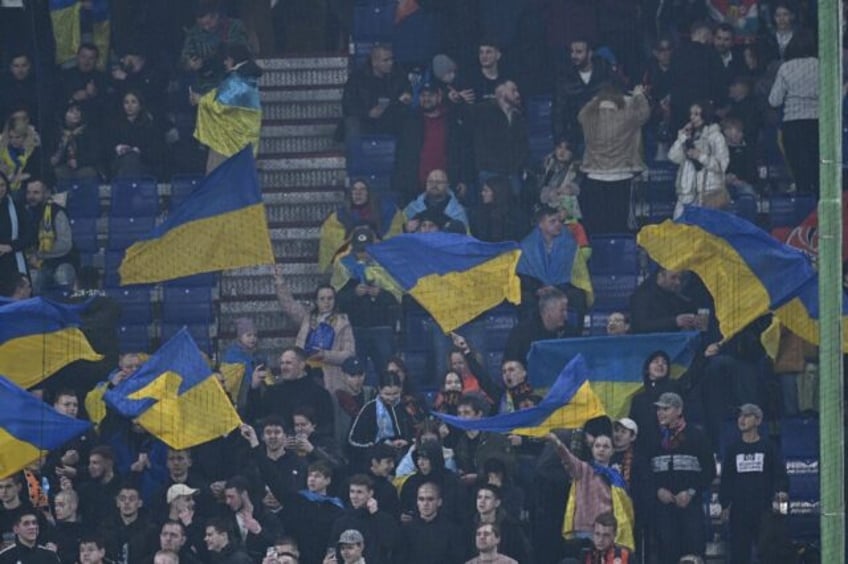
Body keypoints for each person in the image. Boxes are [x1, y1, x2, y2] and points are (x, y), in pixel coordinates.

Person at [648, 393, 715, 564]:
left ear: (679, 410)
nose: (660, 413)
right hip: (663, 510)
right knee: (666, 553)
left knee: (692, 555)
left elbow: (709, 471)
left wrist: (691, 492)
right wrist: (657, 490)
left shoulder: (697, 436)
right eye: (658, 409)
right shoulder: (652, 438)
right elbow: (645, 473)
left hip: (690, 508)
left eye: (666, 408)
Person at [577, 81, 650, 234]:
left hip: (594, 174)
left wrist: (594, 101)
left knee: (598, 226)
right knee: (618, 225)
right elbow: (644, 114)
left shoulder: (589, 113)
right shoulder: (628, 113)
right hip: (621, 174)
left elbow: (580, 117)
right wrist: (638, 96)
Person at [719, 404, 788, 564]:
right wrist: (724, 504)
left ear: (758, 420)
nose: (742, 420)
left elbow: (780, 476)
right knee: (738, 555)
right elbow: (726, 479)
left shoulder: (768, 447)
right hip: (739, 511)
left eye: (747, 416)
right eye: (740, 416)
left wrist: (781, 501)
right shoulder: (733, 449)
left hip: (764, 511)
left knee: (768, 554)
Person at [546, 432, 634, 555]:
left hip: (605, 532)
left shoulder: (617, 477)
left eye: (605, 446)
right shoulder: (583, 469)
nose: (601, 449)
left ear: (613, 451)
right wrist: (557, 443)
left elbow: (623, 510)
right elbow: (567, 458)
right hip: (583, 531)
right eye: (597, 446)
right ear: (592, 450)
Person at [392, 81, 472, 204]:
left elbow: (462, 152)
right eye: (423, 95)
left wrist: (462, 179)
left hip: (446, 187)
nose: (426, 99)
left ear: (439, 97)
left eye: (430, 95)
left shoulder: (452, 121)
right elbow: (401, 154)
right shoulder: (409, 121)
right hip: (414, 188)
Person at [274, 274, 356, 394]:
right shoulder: (307, 318)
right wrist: (280, 283)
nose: (326, 302)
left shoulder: (343, 323)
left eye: (330, 298)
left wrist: (325, 355)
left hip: (330, 375)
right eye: (322, 299)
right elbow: (290, 306)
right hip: (305, 371)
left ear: (335, 300)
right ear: (316, 301)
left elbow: (349, 354)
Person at [192, 43, 263, 173]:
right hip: (242, 142)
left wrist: (200, 101)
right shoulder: (247, 79)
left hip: (227, 144)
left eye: (227, 59)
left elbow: (220, 106)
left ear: (233, 59)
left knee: (218, 179)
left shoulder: (237, 82)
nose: (225, 62)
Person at [515, 205, 591, 324]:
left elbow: (577, 276)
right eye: (552, 221)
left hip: (563, 289)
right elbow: (522, 276)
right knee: (524, 299)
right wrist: (538, 289)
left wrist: (557, 288)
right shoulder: (527, 246)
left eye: (559, 221)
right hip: (538, 290)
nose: (558, 224)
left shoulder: (570, 244)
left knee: (578, 297)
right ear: (541, 224)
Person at [768, 31, 819, 194]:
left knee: (800, 173)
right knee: (818, 171)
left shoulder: (786, 68)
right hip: (817, 124)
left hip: (793, 125)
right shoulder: (821, 65)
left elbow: (774, 100)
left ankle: (805, 214)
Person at [247, 347, 336, 436]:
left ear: (301, 365)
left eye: (288, 363)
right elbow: (255, 417)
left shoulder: (320, 394)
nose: (284, 367)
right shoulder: (273, 392)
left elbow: (327, 428)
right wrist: (254, 388)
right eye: (282, 363)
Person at [318, 179, 403, 272]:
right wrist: (353, 237)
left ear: (369, 193)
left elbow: (395, 235)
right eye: (354, 190)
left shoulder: (387, 210)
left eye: (362, 189)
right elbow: (332, 238)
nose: (358, 193)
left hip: (379, 254)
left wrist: (376, 238)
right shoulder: (341, 215)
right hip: (352, 255)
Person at [668, 100, 729, 218]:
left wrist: (701, 156)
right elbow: (673, 157)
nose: (692, 117)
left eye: (696, 114)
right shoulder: (688, 135)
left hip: (708, 193)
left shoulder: (716, 136)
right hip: (686, 193)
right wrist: (682, 138)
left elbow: (722, 166)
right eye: (691, 114)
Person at [469, 81, 529, 198]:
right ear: (501, 93)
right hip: (489, 172)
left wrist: (519, 165)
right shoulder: (483, 111)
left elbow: (523, 145)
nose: (517, 94)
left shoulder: (518, 116)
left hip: (512, 174)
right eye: (513, 90)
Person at [341, 44, 411, 140]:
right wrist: (368, 113)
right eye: (386, 60)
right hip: (365, 121)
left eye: (392, 59)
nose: (390, 63)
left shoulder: (398, 75)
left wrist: (405, 98)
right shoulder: (357, 79)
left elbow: (407, 92)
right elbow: (348, 105)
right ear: (374, 62)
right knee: (352, 122)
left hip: (391, 119)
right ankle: (356, 153)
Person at [668, 22, 726, 131]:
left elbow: (670, 79)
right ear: (704, 34)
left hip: (678, 109)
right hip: (702, 112)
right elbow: (720, 83)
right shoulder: (712, 55)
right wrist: (719, 103)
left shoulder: (676, 53)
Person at [553, 38, 613, 144]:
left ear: (590, 54)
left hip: (605, 135)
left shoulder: (605, 73)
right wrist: (561, 141)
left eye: (579, 52)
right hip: (576, 138)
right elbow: (558, 112)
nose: (573, 56)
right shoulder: (565, 78)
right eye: (572, 52)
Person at [23, 178, 78, 293]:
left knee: (62, 275)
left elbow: (65, 244)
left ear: (46, 193)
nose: (31, 196)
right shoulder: (25, 213)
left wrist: (39, 255)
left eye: (36, 193)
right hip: (38, 264)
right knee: (29, 280)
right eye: (28, 192)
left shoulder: (57, 212)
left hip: (62, 261)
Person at [348, 372, 414, 466]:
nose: (391, 398)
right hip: (376, 461)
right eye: (387, 394)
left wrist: (407, 442)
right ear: (379, 390)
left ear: (401, 389)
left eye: (395, 393)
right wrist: (381, 446)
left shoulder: (408, 406)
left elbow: (418, 432)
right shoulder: (370, 409)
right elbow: (354, 441)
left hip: (405, 457)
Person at [329, 475, 398, 564]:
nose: (354, 496)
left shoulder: (384, 519)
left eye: (359, 492)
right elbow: (333, 550)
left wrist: (376, 515)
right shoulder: (341, 521)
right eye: (352, 491)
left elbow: (391, 544)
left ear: (370, 493)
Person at [395, 482, 465, 564]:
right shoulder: (405, 530)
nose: (425, 503)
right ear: (417, 502)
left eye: (430, 499)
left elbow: (458, 559)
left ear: (439, 502)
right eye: (421, 499)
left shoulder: (453, 531)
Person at [503, 287, 577, 364]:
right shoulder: (521, 334)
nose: (566, 315)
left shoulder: (570, 334)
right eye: (562, 310)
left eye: (566, 310)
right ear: (548, 312)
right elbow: (509, 364)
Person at [108, 90, 162, 179]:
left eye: (133, 102)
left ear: (140, 105)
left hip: (143, 163)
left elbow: (155, 151)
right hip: (119, 163)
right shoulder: (115, 124)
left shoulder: (149, 125)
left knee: (132, 159)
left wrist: (138, 151)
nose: (129, 106)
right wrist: (118, 148)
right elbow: (108, 147)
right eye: (126, 102)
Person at [629, 269, 699, 334]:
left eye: (679, 278)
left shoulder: (677, 298)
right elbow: (639, 326)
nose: (678, 282)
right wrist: (675, 322)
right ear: (661, 277)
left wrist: (691, 321)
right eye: (673, 278)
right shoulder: (642, 296)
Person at [402, 169, 469, 232]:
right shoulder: (412, 208)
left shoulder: (458, 211)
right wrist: (406, 229)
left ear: (447, 185)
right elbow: (398, 235)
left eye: (439, 182)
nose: (434, 185)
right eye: (430, 181)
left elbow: (465, 238)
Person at [49, 102, 102, 181]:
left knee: (87, 172)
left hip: (84, 166)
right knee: (59, 172)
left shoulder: (88, 131)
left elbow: (95, 154)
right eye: (71, 111)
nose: (76, 113)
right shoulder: (57, 133)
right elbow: (54, 159)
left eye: (78, 110)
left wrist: (79, 162)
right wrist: (65, 141)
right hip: (65, 167)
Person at [0, 170, 32, 282]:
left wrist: (11, 247)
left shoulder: (17, 206)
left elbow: (29, 235)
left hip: (14, 263)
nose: (0, 189)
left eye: (2, 185)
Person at [0, 116, 42, 196]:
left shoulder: (33, 151)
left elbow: (35, 173)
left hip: (26, 189)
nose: (13, 141)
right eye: (11, 137)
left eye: (17, 137)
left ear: (24, 136)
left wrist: (20, 177)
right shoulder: (3, 151)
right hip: (5, 188)